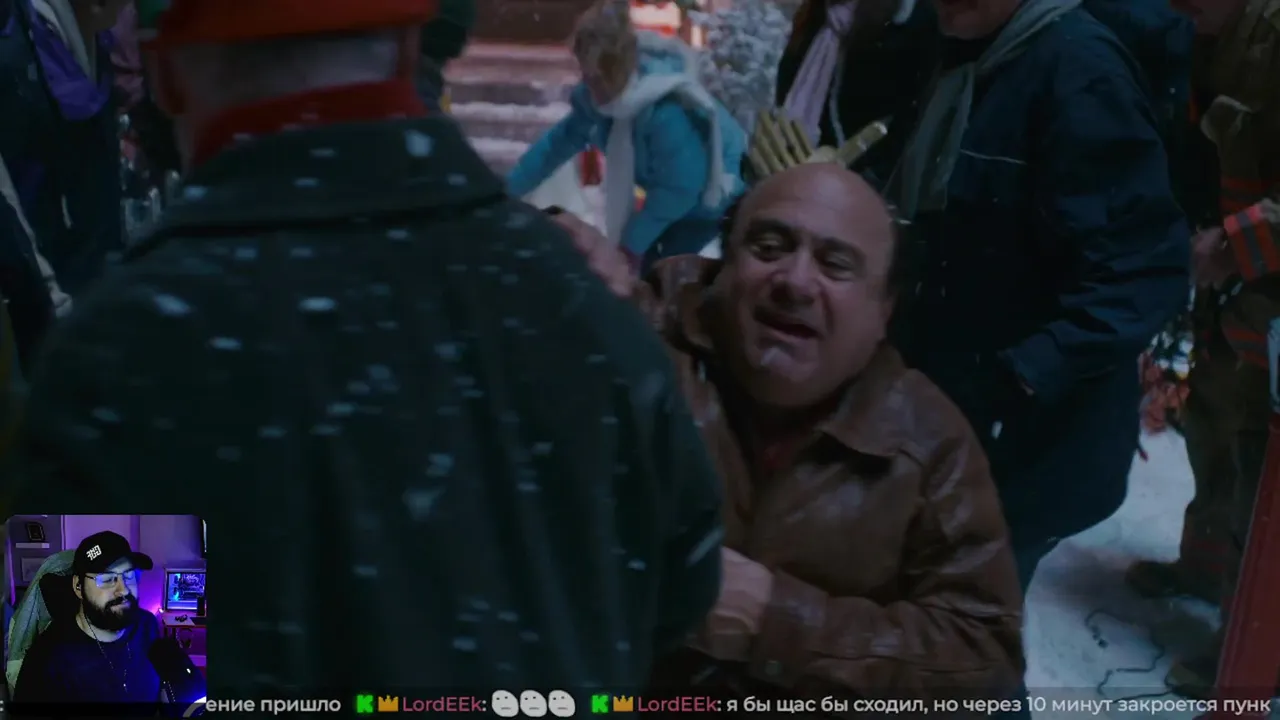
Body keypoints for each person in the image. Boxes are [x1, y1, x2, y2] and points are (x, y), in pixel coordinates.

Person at [13, 0, 723, 697]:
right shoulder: (584, 306)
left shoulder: (123, 358)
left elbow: (93, 687)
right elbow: (682, 591)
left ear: (166, 77)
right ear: (412, 50)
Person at [555, 162, 1023, 706]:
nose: (796, 282)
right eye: (769, 247)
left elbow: (984, 658)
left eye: (836, 265)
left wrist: (773, 621)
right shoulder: (639, 336)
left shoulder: (931, 443)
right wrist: (538, 243)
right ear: (724, 266)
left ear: (884, 310)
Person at [887, 0, 1190, 592]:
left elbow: (1144, 270)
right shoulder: (964, 50)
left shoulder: (1081, 76)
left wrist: (1020, 375)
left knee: (962, 617)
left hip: (1030, 441)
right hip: (953, 413)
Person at [1125, 0, 1280, 698]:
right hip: (1236, 291)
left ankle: (1251, 647)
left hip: (1264, 286)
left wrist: (1235, 242)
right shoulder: (1201, 35)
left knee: (1261, 473)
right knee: (1212, 427)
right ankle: (1206, 572)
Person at [506, 0, 746, 274]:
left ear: (619, 67)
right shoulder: (599, 100)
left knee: (658, 275)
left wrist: (632, 245)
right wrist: (506, 192)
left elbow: (680, 188)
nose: (591, 86)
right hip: (671, 197)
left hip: (709, 204)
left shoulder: (666, 110)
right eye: (586, 76)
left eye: (597, 78)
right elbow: (555, 146)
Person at [0, 0, 130, 298]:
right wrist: (50, 294)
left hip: (101, 278)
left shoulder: (96, 40)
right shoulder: (15, 54)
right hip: (50, 289)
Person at [775, 0, 937, 187]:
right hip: (792, 166)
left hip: (855, 185)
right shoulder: (820, 13)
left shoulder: (912, 23)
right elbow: (788, 82)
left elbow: (908, 120)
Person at [13, 531, 163, 704]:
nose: (123, 590)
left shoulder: (147, 624)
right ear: (78, 586)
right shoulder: (46, 660)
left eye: (129, 576)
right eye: (107, 579)